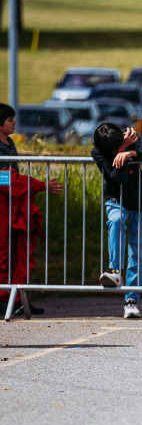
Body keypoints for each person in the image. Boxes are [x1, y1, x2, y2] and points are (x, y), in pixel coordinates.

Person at [0, 103, 64, 316]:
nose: (14, 123)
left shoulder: (9, 143)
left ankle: (19, 299)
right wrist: (40, 185)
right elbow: (7, 180)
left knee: (21, 254)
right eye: (10, 120)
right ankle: (3, 299)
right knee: (3, 256)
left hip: (16, 207)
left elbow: (13, 178)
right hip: (3, 208)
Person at [92, 123, 142, 319]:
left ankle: (131, 302)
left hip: (141, 201)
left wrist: (129, 153)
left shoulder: (128, 138)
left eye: (118, 146)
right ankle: (115, 271)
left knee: (137, 253)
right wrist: (121, 150)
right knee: (116, 221)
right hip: (116, 199)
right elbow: (117, 178)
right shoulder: (98, 153)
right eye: (114, 150)